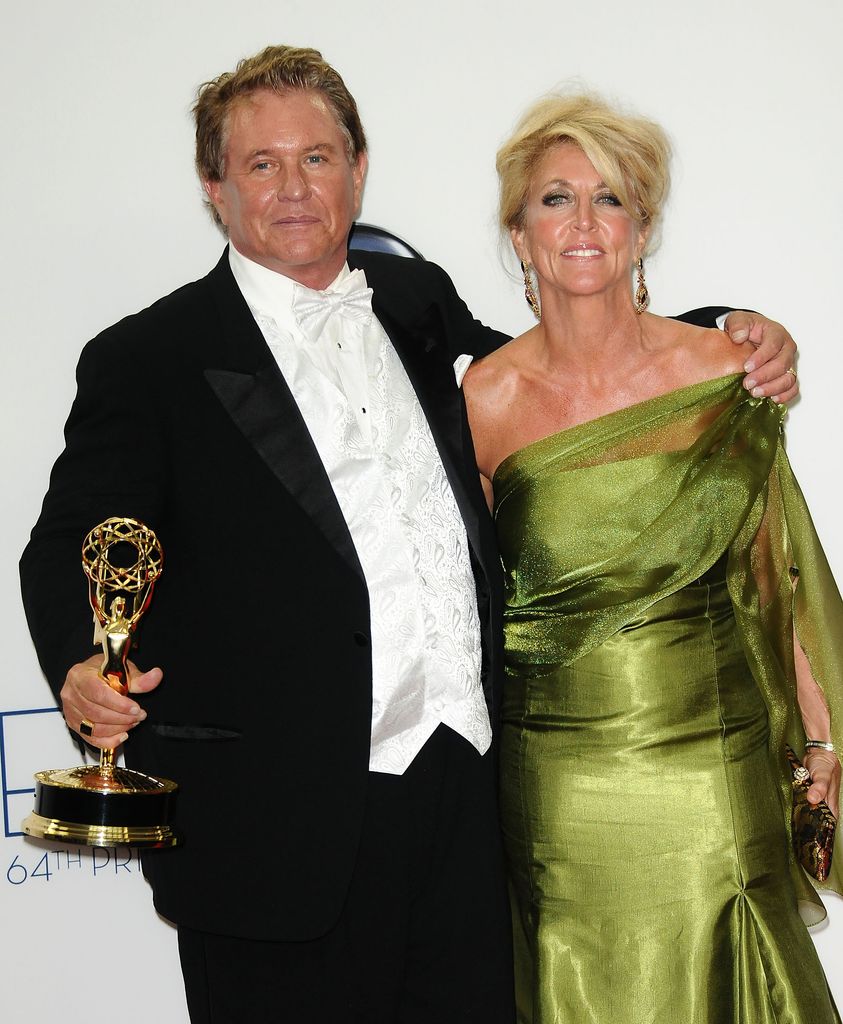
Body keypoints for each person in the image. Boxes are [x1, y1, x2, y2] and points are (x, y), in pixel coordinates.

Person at [20, 47, 798, 1023]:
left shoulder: (416, 302)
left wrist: (724, 328)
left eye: (318, 157)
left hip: (466, 823)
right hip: (277, 840)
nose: (296, 186)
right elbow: (70, 544)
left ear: (359, 168)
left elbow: (567, 364)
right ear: (214, 186)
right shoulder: (152, 358)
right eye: (263, 164)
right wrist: (83, 664)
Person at [463, 92, 842, 1023]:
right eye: (555, 199)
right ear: (519, 232)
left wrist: (822, 738)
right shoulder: (482, 399)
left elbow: (776, 571)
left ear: (642, 229)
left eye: (611, 199)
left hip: (710, 768)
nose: (583, 223)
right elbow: (469, 602)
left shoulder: (724, 371)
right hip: (553, 786)